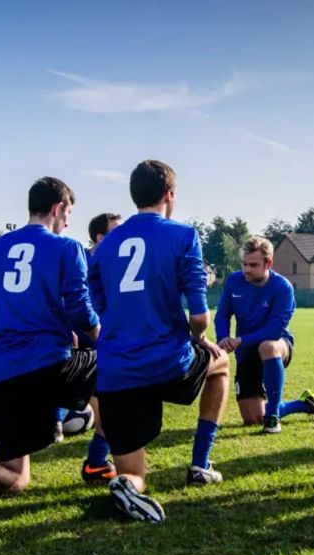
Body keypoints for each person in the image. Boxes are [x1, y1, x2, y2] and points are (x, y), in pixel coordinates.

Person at [0, 176, 100, 513]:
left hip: (2, 374)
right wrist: (101, 337)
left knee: (16, 477)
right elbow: (80, 311)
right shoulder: (67, 247)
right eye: (68, 213)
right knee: (115, 375)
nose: (68, 222)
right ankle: (101, 461)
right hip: (49, 363)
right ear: (58, 208)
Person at [89, 159, 229, 523]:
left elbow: (96, 309)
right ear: (169, 194)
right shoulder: (183, 235)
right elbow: (200, 317)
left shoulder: (103, 246)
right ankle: (200, 463)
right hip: (168, 363)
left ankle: (127, 486)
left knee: (134, 473)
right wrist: (199, 339)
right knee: (222, 365)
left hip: (117, 372)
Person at [215, 236, 314, 434]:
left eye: (253, 265)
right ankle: (304, 404)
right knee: (253, 418)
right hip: (246, 352)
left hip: (278, 346)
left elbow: (274, 330)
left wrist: (240, 340)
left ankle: (273, 418)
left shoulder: (282, 287)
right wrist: (223, 338)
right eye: (243, 264)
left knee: (267, 346)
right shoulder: (234, 281)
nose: (246, 270)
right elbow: (223, 315)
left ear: (268, 263)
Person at [55, 212, 123, 483]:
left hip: (104, 337)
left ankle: (96, 455)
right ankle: (56, 420)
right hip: (79, 335)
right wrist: (69, 329)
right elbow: (65, 297)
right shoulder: (78, 257)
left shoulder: (118, 263)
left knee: (107, 400)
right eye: (116, 232)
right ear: (100, 237)